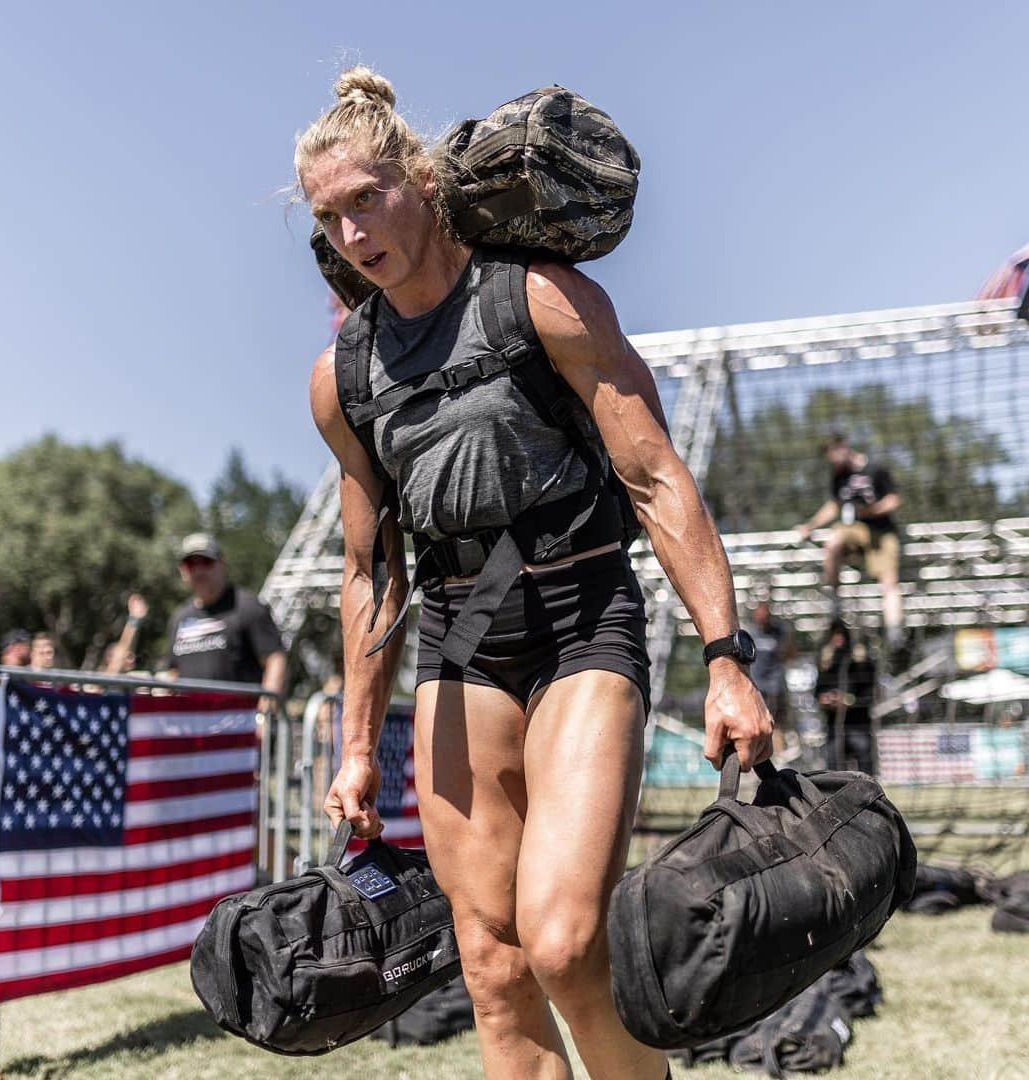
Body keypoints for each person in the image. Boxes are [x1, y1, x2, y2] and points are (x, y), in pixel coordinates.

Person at [299, 67, 773, 1080]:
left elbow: (655, 479)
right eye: (329, 217)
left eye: (365, 200)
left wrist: (726, 658)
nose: (351, 234)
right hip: (459, 643)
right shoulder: (343, 379)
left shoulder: (541, 299)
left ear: (421, 181)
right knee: (493, 966)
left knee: (563, 944)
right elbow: (367, 572)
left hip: (579, 616)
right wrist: (354, 746)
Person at [796, 434, 904, 651]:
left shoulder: (874, 468)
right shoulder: (838, 476)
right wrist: (810, 525)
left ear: (844, 447)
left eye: (835, 455)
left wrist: (871, 510)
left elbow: (894, 499)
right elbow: (834, 506)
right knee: (833, 541)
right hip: (854, 528)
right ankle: (835, 603)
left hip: (881, 530)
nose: (834, 462)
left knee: (889, 582)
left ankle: (895, 632)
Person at [160, 534, 286, 712]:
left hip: (239, 727)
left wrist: (264, 715)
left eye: (205, 562)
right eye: (191, 564)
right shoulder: (179, 617)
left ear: (222, 563)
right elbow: (173, 672)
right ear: (182, 570)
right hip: (192, 726)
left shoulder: (247, 606)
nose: (198, 571)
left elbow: (274, 659)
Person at [814, 620, 877, 775]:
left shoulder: (860, 662)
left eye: (841, 635)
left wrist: (849, 700)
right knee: (834, 769)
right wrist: (826, 699)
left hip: (858, 724)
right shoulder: (827, 663)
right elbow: (817, 692)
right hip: (834, 726)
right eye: (835, 635)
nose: (838, 640)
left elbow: (870, 695)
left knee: (865, 768)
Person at [744, 600, 796, 733]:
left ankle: (778, 749)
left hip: (774, 686)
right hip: (756, 685)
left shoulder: (779, 633)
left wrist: (788, 637)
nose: (762, 619)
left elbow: (790, 655)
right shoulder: (750, 633)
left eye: (765, 616)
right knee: (757, 720)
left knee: (775, 722)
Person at [103, 593, 149, 674]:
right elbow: (124, 645)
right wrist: (134, 618)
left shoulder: (128, 678)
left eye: (131, 656)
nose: (132, 660)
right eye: (127, 657)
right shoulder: (108, 676)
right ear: (110, 659)